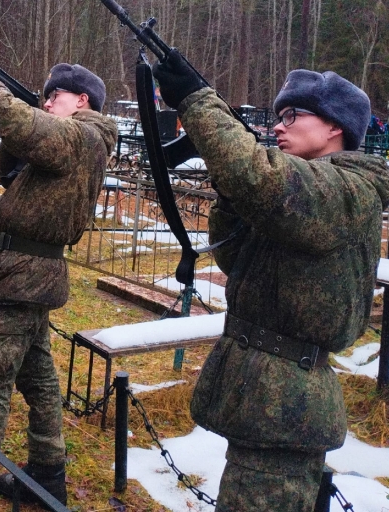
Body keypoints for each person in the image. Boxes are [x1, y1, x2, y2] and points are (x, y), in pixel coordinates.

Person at [153, 54, 389, 511]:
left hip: (288, 405)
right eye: (279, 116)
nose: (279, 126)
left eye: (293, 115)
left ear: (335, 126)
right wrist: (231, 192)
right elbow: (236, 256)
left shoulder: (350, 188)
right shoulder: (302, 194)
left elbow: (262, 178)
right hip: (265, 397)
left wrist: (200, 102)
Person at [0, 55, 117, 511]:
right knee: (38, 379)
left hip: (24, 276)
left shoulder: (82, 135)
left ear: (81, 101)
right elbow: (13, 167)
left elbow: (20, 123)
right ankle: (47, 473)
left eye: (52, 97)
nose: (44, 103)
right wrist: (26, 116)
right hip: (29, 275)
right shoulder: (75, 140)